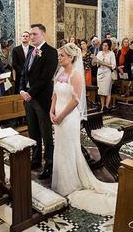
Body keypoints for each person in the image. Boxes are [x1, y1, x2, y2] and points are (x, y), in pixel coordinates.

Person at [50, 43, 117, 216]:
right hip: (57, 115)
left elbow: (75, 102)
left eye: (62, 55)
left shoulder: (76, 75)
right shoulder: (60, 73)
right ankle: (60, 181)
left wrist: (61, 116)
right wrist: (52, 110)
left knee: (69, 149)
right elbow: (55, 94)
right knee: (60, 148)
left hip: (68, 117)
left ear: (71, 57)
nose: (59, 58)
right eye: (59, 55)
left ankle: (70, 183)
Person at [20, 23, 58, 179]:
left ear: (43, 34)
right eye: (30, 34)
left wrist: (30, 93)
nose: (31, 36)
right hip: (28, 99)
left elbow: (45, 78)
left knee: (46, 133)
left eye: (34, 34)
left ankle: (49, 163)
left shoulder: (51, 52)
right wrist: (22, 90)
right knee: (33, 131)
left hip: (41, 99)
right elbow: (23, 73)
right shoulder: (31, 51)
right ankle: (35, 160)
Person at [96, 39, 116, 111]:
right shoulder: (99, 53)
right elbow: (97, 64)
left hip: (107, 73)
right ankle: (102, 106)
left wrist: (104, 64)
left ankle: (106, 107)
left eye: (106, 46)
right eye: (103, 45)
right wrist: (96, 61)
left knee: (107, 91)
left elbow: (113, 65)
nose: (104, 47)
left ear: (109, 46)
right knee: (101, 91)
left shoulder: (111, 53)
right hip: (100, 72)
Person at [12, 31, 33, 95]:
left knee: (30, 94)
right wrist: (23, 73)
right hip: (20, 76)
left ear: (29, 38)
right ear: (21, 38)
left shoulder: (33, 49)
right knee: (19, 94)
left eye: (27, 36)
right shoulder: (16, 49)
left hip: (31, 76)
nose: (25, 37)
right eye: (23, 36)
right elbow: (14, 63)